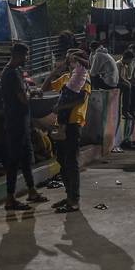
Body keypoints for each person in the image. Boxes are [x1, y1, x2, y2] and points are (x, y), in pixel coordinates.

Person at [0, 43, 49, 211]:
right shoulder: (10, 74)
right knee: (14, 160)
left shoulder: (17, 72)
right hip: (15, 123)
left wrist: (31, 91)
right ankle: (10, 198)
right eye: (25, 56)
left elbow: (25, 91)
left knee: (27, 157)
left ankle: (32, 191)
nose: (27, 59)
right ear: (18, 55)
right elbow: (23, 98)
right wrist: (31, 94)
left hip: (22, 121)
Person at [47, 49, 90, 213]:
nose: (68, 64)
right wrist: (54, 72)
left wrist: (60, 107)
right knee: (62, 161)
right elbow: (46, 87)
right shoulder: (67, 78)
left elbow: (80, 99)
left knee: (71, 163)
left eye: (70, 61)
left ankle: (74, 200)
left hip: (74, 125)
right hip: (63, 125)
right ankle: (69, 195)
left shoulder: (84, 77)